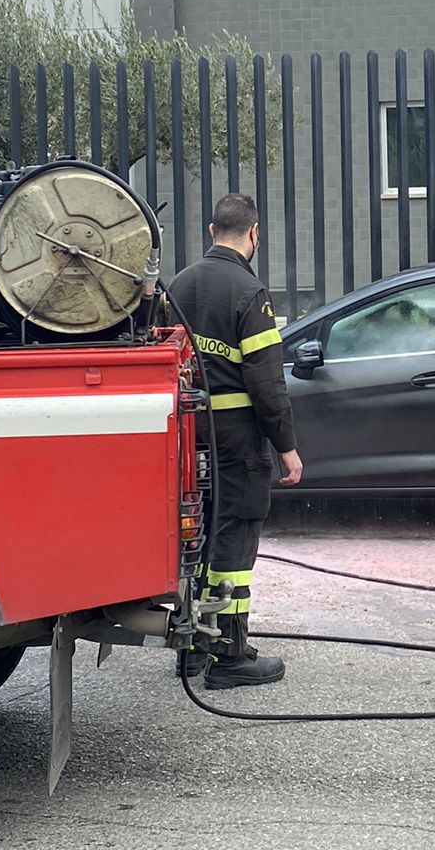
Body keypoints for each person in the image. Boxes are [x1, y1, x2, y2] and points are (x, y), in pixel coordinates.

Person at [168, 193, 304, 688]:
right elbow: (267, 382)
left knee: (194, 540)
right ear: (254, 233)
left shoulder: (178, 285)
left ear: (210, 230)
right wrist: (286, 446)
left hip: (185, 441)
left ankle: (191, 649)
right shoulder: (250, 292)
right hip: (237, 441)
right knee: (234, 541)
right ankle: (229, 656)